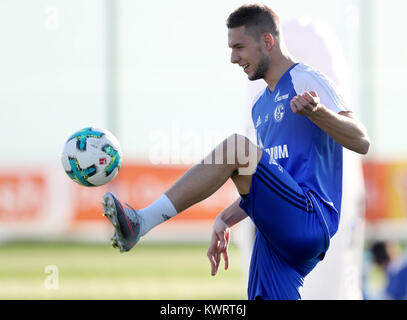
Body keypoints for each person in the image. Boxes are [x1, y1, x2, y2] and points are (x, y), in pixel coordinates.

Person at [102, 4, 370, 300]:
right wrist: (226, 217)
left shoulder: (305, 79)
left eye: (239, 47)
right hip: (281, 231)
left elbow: (361, 141)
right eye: (231, 48)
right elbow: (270, 182)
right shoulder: (260, 107)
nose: (233, 58)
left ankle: (142, 221)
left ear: (267, 41)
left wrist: (319, 113)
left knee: (236, 148)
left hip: (310, 219)